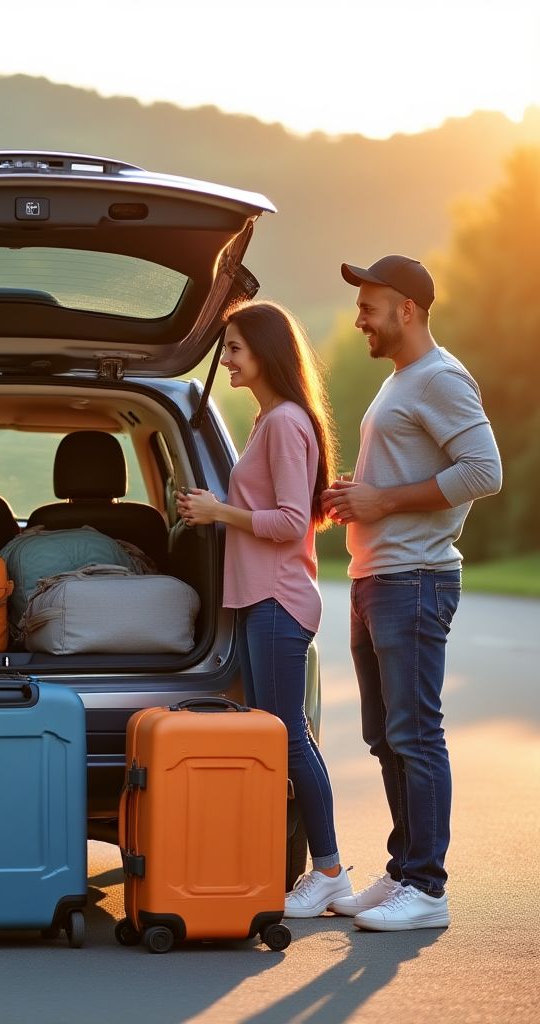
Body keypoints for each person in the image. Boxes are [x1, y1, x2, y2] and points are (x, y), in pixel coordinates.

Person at [323, 255, 501, 931]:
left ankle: (427, 889)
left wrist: (384, 500)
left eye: (370, 307)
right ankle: (403, 870)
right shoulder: (402, 381)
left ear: (408, 310)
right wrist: (356, 497)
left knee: (415, 734)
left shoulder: (441, 378)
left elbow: (485, 471)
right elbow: (396, 480)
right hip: (376, 576)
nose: (360, 318)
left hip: (416, 578)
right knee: (384, 735)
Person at [177, 300, 353, 918]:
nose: (227, 359)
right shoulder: (267, 421)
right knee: (274, 738)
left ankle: (329, 869)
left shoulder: (284, 424)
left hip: (279, 599)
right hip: (261, 599)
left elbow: (287, 522)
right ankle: (304, 867)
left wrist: (218, 512)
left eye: (235, 349)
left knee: (287, 739)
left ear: (267, 353)